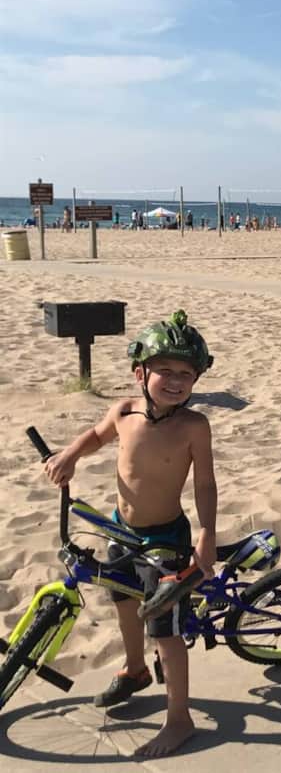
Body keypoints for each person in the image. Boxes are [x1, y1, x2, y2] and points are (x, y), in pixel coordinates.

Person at [43, 310, 217, 756]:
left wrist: (206, 535)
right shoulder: (122, 410)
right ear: (140, 372)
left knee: (165, 627)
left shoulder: (193, 426)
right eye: (166, 371)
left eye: (186, 374)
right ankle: (135, 669)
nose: (176, 381)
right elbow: (95, 435)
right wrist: (70, 455)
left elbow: (204, 484)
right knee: (122, 601)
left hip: (165, 538)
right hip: (122, 529)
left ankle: (179, 718)